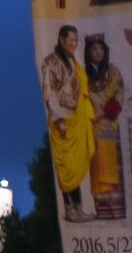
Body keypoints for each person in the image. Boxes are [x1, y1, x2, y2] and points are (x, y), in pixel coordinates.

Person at [40, 23, 94, 222]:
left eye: (75, 40)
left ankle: (78, 207)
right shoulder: (51, 62)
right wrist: (59, 119)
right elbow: (50, 93)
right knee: (66, 167)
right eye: (70, 40)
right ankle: (70, 209)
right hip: (61, 118)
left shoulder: (73, 61)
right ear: (61, 39)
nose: (73, 43)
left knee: (75, 164)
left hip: (76, 116)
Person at [84, 32, 126, 221]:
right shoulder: (84, 74)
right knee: (96, 168)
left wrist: (102, 112)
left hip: (109, 125)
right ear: (88, 52)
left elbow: (119, 94)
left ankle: (116, 209)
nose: (98, 52)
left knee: (113, 168)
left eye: (101, 48)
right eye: (94, 49)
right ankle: (102, 210)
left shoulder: (114, 71)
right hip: (91, 126)